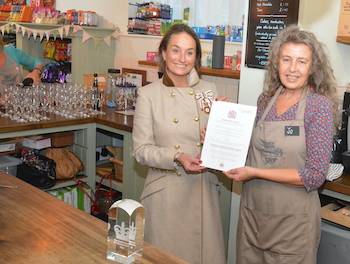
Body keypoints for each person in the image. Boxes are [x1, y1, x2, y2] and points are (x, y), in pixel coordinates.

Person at [222, 25, 338, 264]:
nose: (292, 68)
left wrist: (255, 172)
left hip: (292, 226)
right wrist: (219, 133)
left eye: (301, 61)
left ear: (312, 68)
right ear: (276, 62)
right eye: (286, 59)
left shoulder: (319, 107)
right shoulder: (265, 100)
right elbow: (252, 152)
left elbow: (315, 176)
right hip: (253, 218)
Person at [132, 24, 227, 264]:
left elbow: (216, 147)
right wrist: (177, 157)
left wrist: (221, 128)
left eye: (189, 52)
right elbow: (141, 151)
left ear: (196, 57)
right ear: (163, 53)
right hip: (166, 196)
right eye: (175, 50)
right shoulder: (148, 94)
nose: (182, 59)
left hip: (202, 192)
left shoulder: (209, 91)